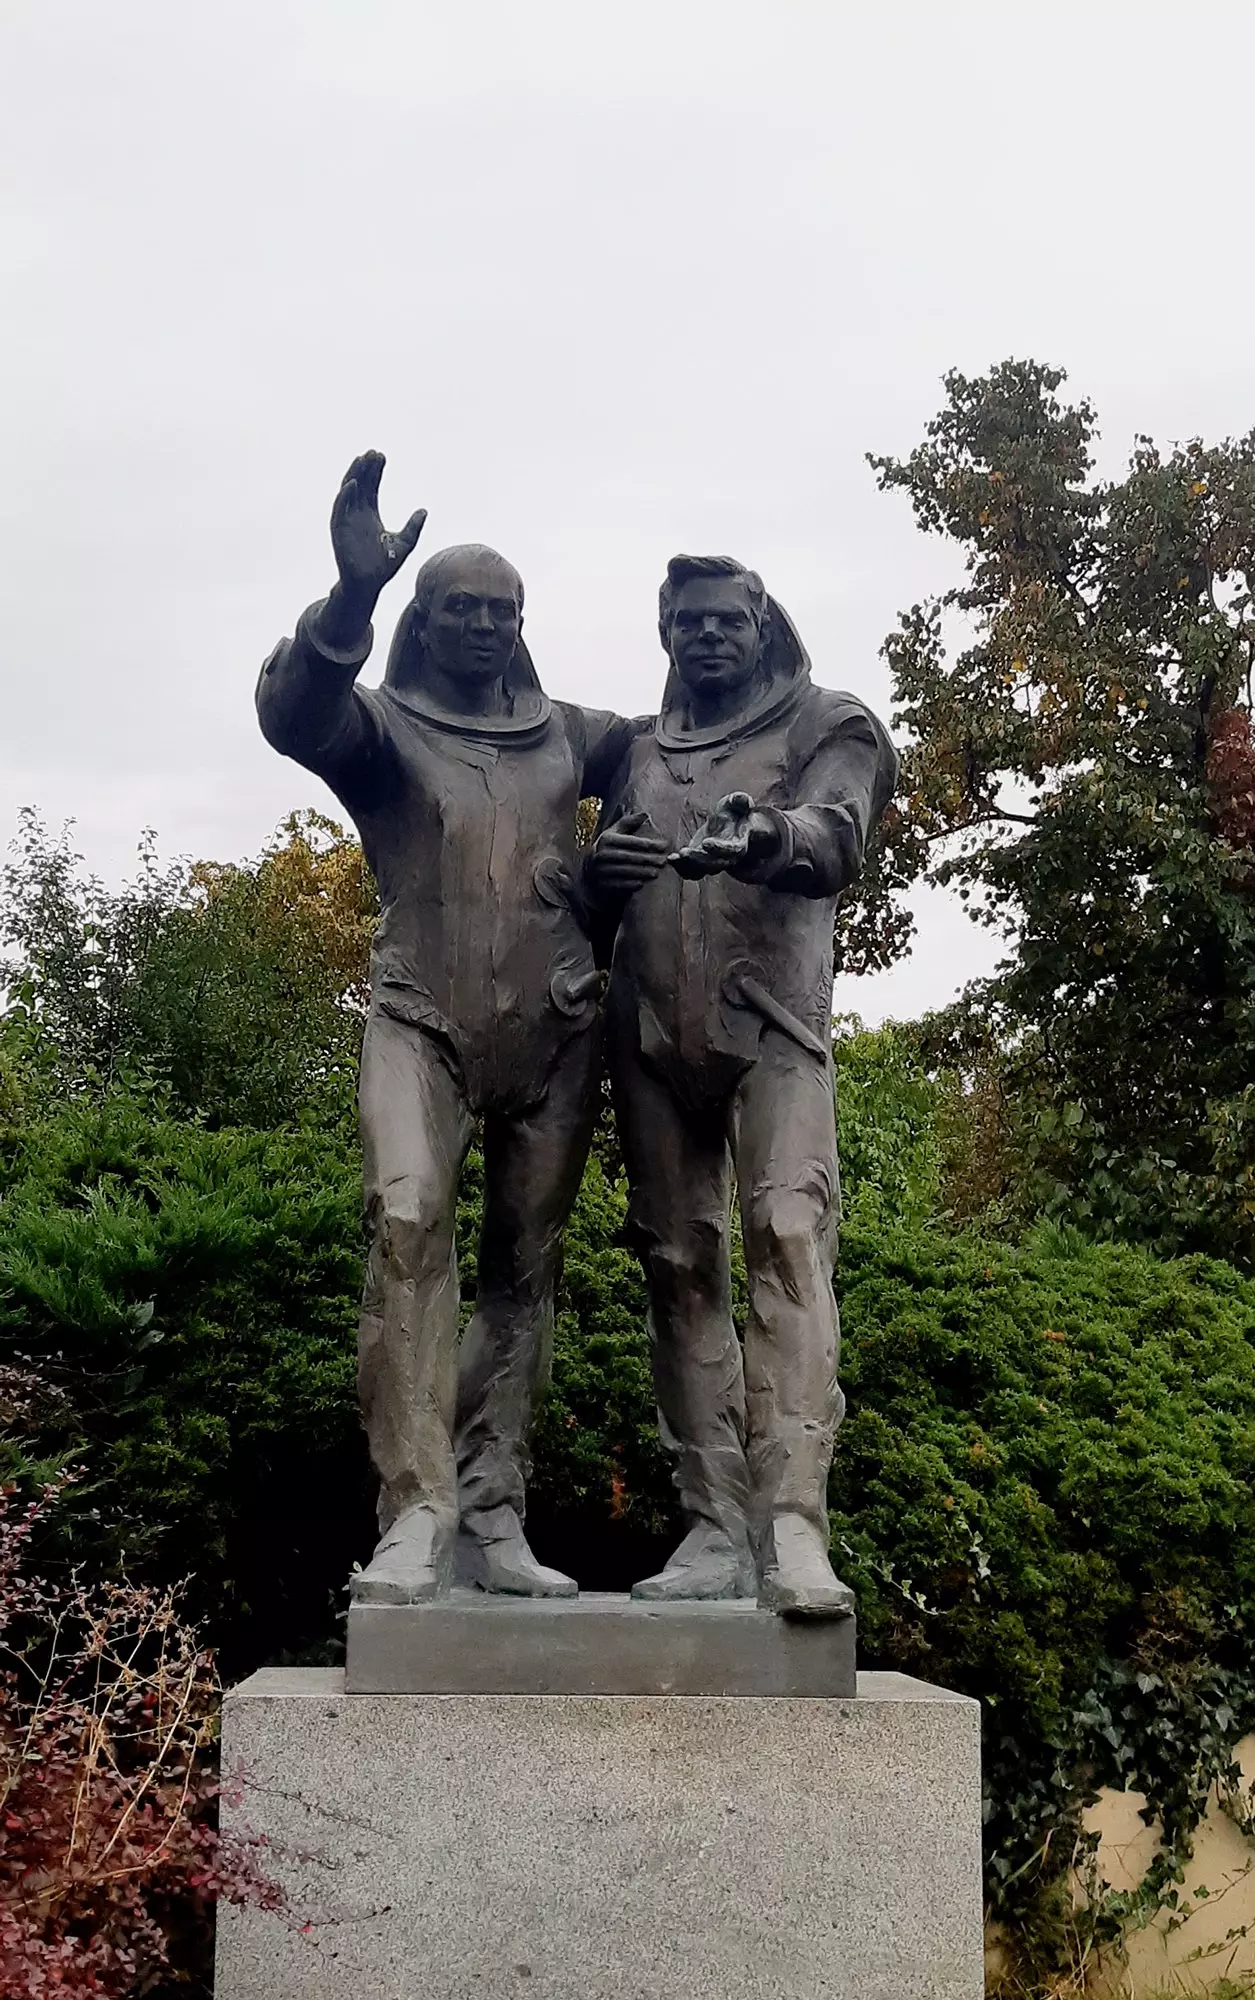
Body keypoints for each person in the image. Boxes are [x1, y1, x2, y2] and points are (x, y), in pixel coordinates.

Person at [257, 452, 638, 1604]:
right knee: (408, 1220)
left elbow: (677, 762)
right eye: (459, 607)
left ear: (523, 625)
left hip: (559, 1029)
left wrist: (612, 878)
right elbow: (292, 713)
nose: (482, 624)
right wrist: (352, 598)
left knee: (527, 1272)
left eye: (501, 611)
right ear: (424, 621)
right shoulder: (381, 728)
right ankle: (415, 1508)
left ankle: (491, 1508)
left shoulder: (574, 734)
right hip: (418, 1013)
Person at [585, 554, 897, 1616]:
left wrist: (763, 832)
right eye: (687, 622)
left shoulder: (828, 722)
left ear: (762, 626)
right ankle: (713, 1522)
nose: (707, 636)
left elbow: (835, 835)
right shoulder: (629, 746)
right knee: (677, 1265)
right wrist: (596, 878)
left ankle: (792, 1523)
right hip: (649, 1029)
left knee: (788, 1236)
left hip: (772, 1029)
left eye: (727, 619)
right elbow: (527, 774)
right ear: (664, 631)